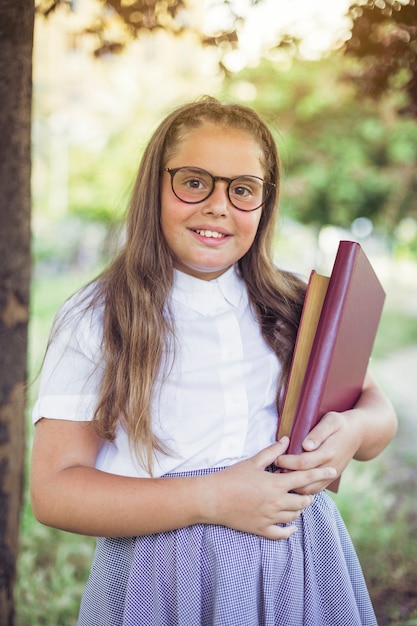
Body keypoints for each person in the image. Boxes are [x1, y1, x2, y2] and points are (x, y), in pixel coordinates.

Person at [30, 96, 397, 626]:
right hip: (164, 580)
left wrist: (355, 429)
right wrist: (212, 498)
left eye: (242, 190)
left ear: (264, 204)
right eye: (195, 182)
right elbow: (55, 492)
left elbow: (378, 413)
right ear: (155, 185)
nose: (219, 206)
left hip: (303, 565)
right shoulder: (98, 316)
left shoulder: (298, 304)